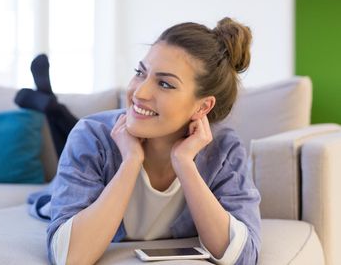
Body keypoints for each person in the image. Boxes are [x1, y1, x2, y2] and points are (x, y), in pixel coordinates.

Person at [28, 17, 261, 265]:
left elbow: (244, 256)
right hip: (63, 188)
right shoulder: (91, 135)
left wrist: (184, 163)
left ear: (203, 106)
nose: (139, 92)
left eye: (164, 83)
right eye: (140, 72)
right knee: (61, 174)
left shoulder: (224, 149)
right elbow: (69, 257)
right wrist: (131, 160)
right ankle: (49, 103)